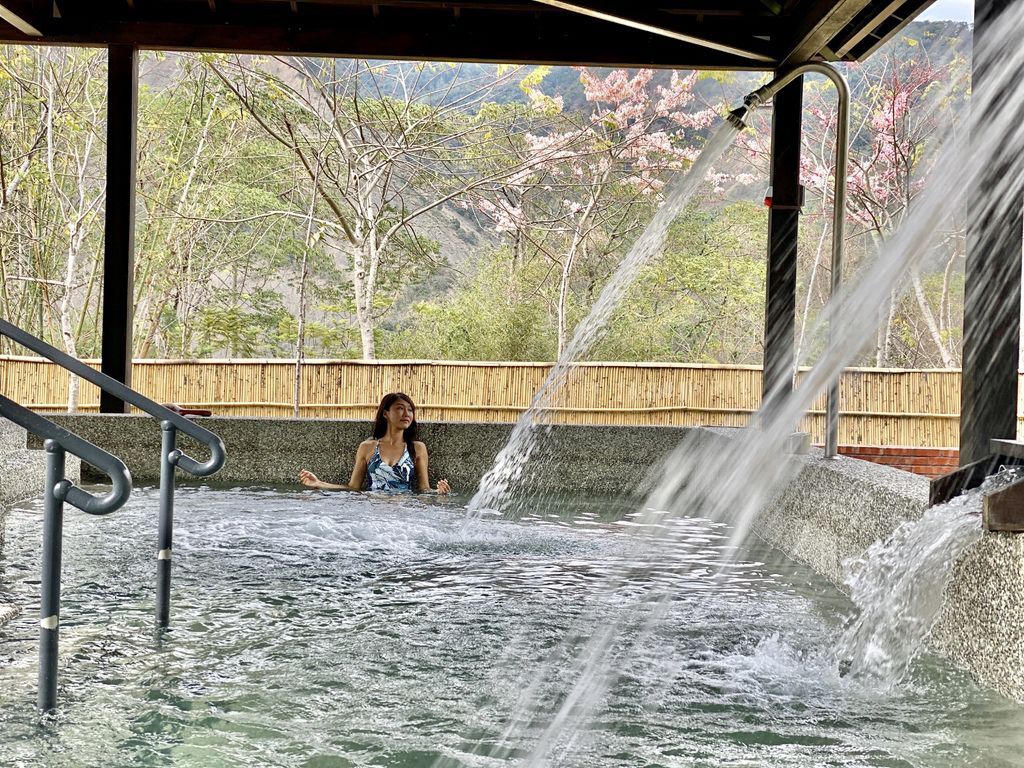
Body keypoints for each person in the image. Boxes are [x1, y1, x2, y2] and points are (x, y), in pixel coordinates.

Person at [298, 392, 451, 494]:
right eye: (400, 408)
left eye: (410, 410)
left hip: (405, 512)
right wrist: (319, 484)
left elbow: (424, 489)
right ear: (386, 413)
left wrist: (438, 493)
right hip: (373, 512)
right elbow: (353, 488)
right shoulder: (368, 447)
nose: (406, 414)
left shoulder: (417, 448)